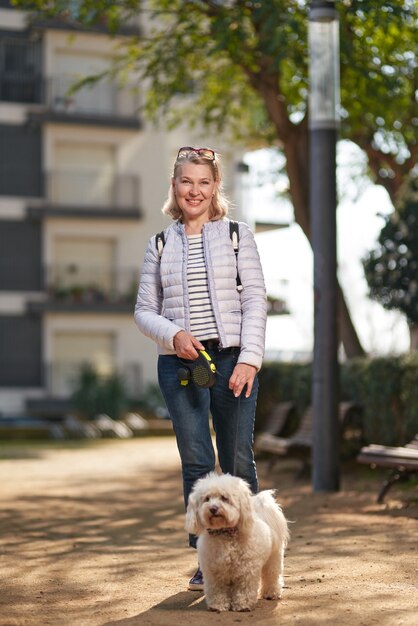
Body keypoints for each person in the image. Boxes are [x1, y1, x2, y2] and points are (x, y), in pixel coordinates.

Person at [134, 146, 267, 591]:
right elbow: (143, 310)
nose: (195, 190)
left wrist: (249, 358)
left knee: (237, 462)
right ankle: (205, 561)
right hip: (179, 365)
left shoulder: (236, 235)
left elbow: (254, 301)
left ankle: (253, 555)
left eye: (203, 182)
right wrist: (173, 336)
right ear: (174, 186)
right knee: (196, 463)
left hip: (231, 361)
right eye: (186, 181)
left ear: (215, 188)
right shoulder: (159, 243)